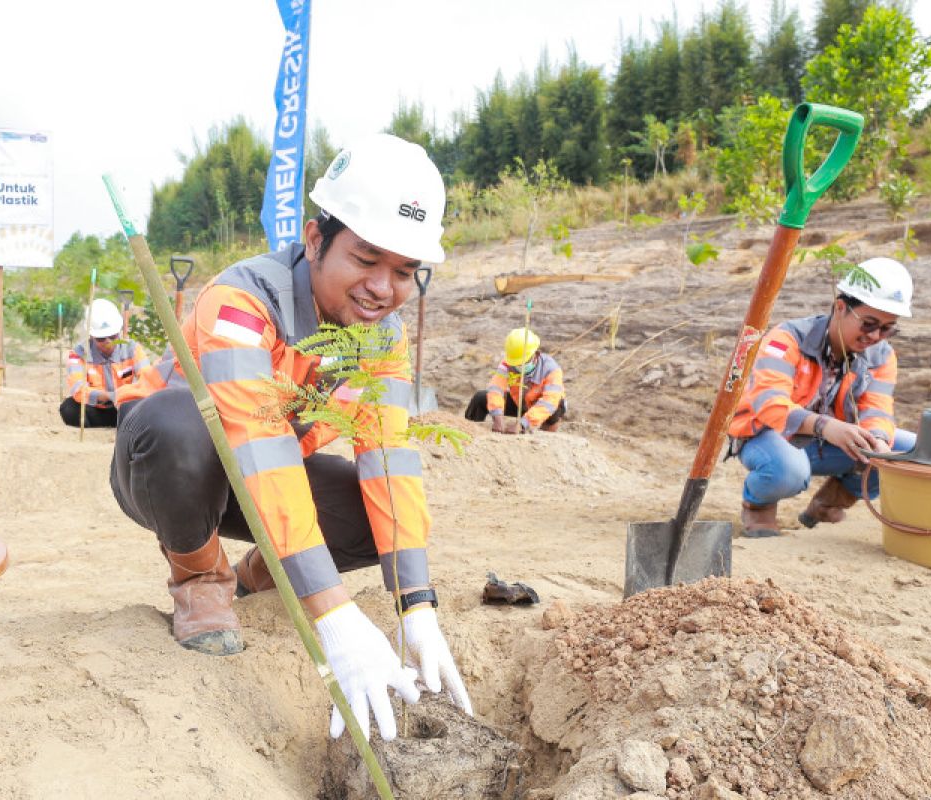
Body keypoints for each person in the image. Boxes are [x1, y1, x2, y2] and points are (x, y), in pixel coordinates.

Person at [109, 133, 472, 742]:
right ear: (314, 239)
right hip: (170, 466)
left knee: (367, 511)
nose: (384, 288)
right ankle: (200, 578)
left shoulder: (380, 336)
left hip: (267, 477)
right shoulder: (243, 303)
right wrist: (331, 614)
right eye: (366, 259)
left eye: (405, 271)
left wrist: (417, 603)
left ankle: (260, 575)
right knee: (177, 427)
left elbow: (390, 459)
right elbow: (258, 444)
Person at [730, 257, 917, 537]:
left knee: (906, 452)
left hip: (831, 441)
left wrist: (877, 439)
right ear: (840, 307)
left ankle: (826, 505)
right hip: (769, 437)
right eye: (869, 323)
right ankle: (758, 509)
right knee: (789, 470)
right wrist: (825, 426)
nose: (876, 336)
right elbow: (769, 403)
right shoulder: (787, 339)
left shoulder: (883, 355)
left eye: (888, 328)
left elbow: (877, 409)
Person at [60, 298, 151, 428]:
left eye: (113, 336)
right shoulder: (79, 354)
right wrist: (110, 396)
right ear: (91, 336)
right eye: (101, 338)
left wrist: (127, 394)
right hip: (95, 408)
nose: (108, 341)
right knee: (69, 408)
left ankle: (125, 424)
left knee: (145, 407)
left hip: (124, 407)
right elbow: (78, 390)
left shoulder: (132, 349)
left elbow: (147, 378)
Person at [464, 327, 566, 434]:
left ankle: (544, 436)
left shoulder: (551, 369)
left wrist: (523, 424)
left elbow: (549, 402)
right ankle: (467, 430)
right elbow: (496, 388)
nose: (519, 366)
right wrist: (497, 417)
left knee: (556, 405)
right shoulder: (507, 364)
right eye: (516, 363)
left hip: (542, 407)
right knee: (480, 398)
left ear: (536, 354)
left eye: (523, 362)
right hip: (520, 402)